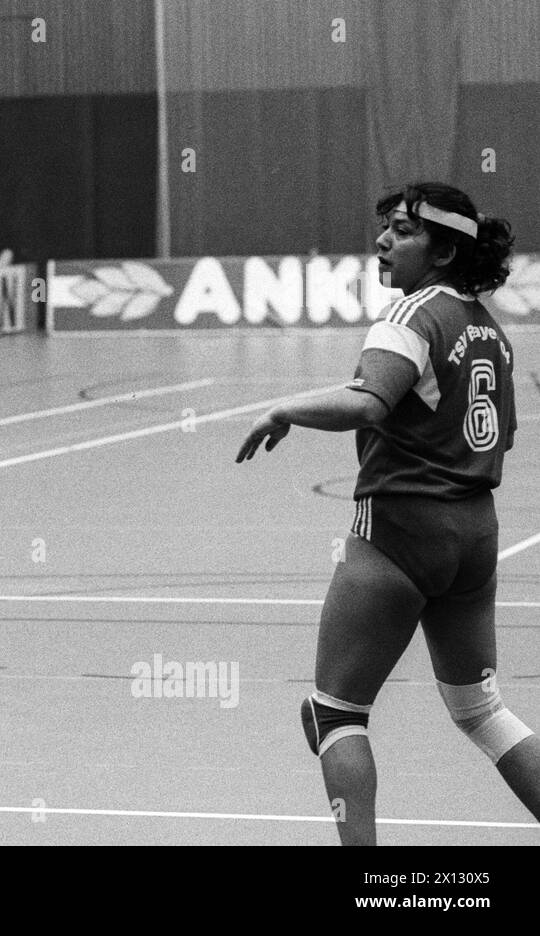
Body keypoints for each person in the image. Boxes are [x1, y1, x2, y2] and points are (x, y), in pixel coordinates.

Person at [237, 181, 540, 845]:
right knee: (480, 709)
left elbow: (370, 401)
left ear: (441, 251)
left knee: (333, 714)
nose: (382, 240)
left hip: (400, 533)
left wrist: (285, 408)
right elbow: (501, 436)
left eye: (402, 231)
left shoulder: (413, 316)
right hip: (475, 535)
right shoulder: (487, 327)